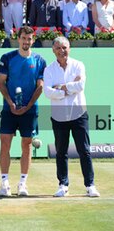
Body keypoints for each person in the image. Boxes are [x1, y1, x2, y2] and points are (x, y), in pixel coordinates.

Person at [43, 36, 100, 197]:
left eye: (65, 48)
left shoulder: (78, 65)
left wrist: (60, 88)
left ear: (70, 48)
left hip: (78, 114)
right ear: (53, 50)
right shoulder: (49, 69)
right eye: (59, 48)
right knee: (61, 152)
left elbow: (80, 85)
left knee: (85, 151)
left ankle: (90, 185)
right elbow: (48, 91)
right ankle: (63, 184)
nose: (62, 51)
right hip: (59, 117)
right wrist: (68, 89)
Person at [0, 26, 46, 197]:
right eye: (23, 38)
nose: (26, 42)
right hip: (9, 109)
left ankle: (22, 184)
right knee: (5, 143)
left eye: (29, 39)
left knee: (26, 145)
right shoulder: (7, 57)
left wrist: (28, 105)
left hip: (30, 110)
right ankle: (4, 184)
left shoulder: (40, 60)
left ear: (33, 40)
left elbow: (40, 86)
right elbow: (1, 83)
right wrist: (11, 103)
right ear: (18, 39)